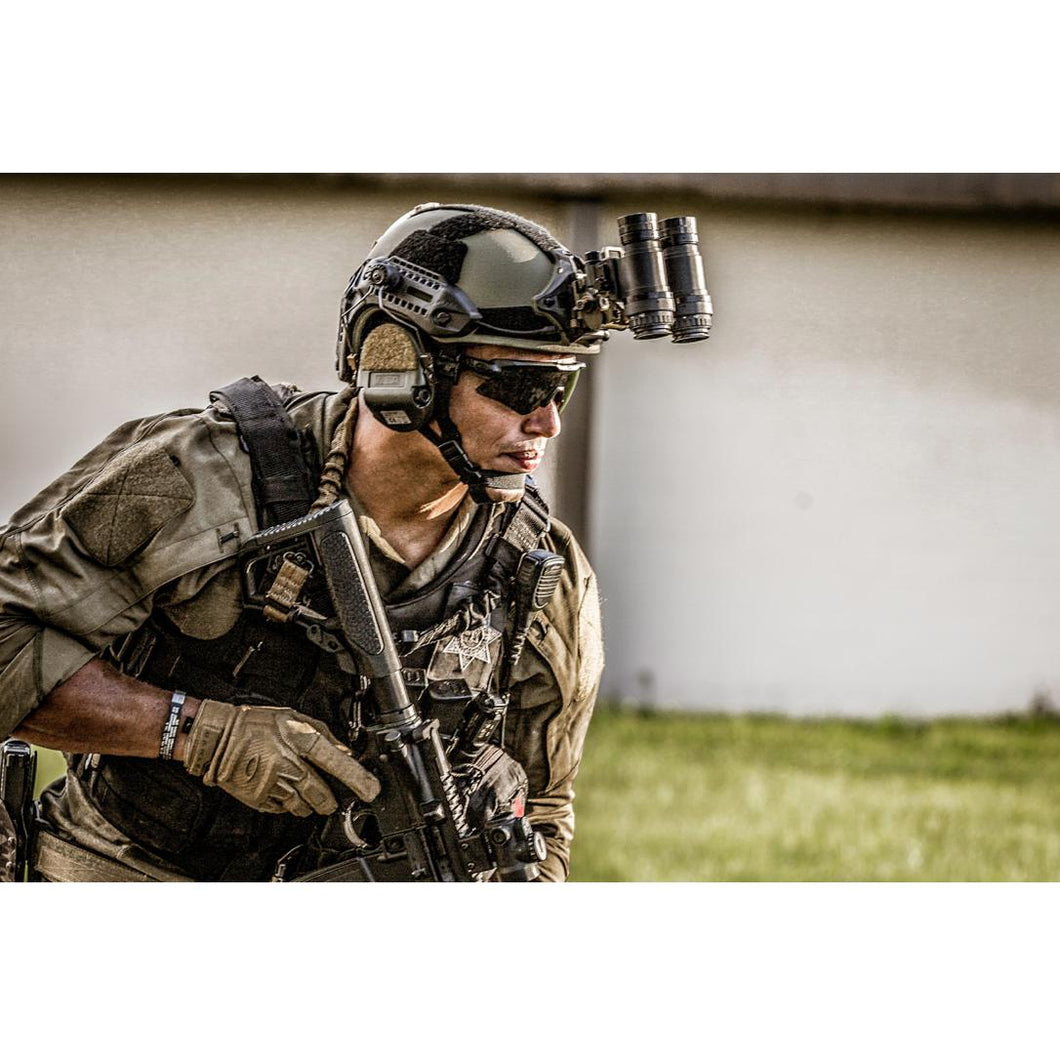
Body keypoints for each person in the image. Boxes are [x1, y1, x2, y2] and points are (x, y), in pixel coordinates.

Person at [0, 202, 606, 882]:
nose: (548, 423)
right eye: (520, 386)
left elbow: (544, 807)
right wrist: (194, 733)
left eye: (562, 386)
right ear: (400, 363)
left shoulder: (537, 567)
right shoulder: (201, 477)